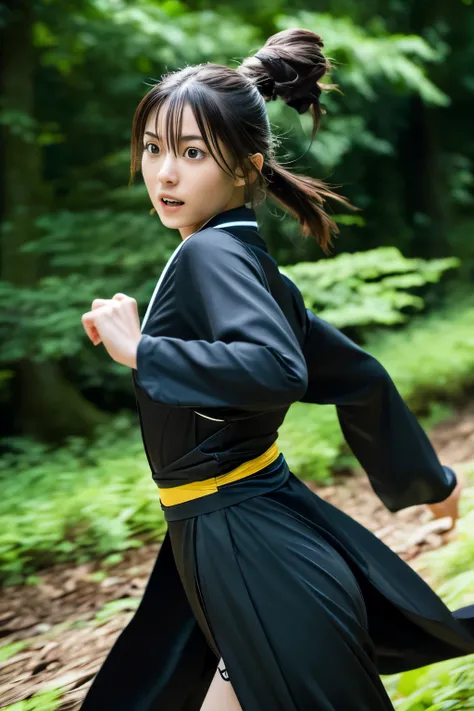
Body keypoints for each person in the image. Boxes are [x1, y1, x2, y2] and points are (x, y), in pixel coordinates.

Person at [80, 28, 474, 711]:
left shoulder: (213, 256)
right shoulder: (241, 255)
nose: (164, 172)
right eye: (154, 148)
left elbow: (276, 368)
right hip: (241, 538)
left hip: (251, 544)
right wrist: (431, 483)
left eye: (192, 152)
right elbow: (356, 374)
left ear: (245, 168)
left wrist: (143, 349)